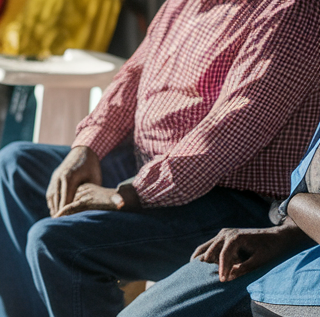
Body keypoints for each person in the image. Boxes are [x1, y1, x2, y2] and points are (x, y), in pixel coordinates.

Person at [0, 0, 320, 317]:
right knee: (16, 168)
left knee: (61, 244)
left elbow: (227, 135)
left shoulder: (291, 9)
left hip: (231, 201)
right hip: (153, 167)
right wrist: (89, 147)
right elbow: (136, 71)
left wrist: (127, 195)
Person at [120, 111, 320, 317]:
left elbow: (217, 146)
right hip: (293, 239)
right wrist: (286, 234)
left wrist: (296, 203)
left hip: (257, 208)